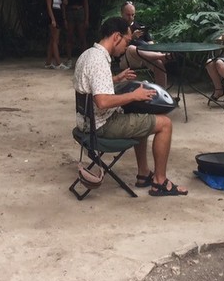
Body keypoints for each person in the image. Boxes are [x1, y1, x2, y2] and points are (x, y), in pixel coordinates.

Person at [73, 16, 188, 196]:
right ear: (117, 37)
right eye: (127, 41)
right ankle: (160, 182)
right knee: (165, 123)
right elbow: (102, 102)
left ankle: (143, 174)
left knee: (138, 113)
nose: (126, 46)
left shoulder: (88, 54)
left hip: (86, 121)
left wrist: (117, 79)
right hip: (101, 126)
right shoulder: (99, 61)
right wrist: (134, 95)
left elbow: (92, 84)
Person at [119, 1, 169, 88]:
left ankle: (163, 95)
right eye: (128, 15)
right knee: (131, 48)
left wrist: (152, 46)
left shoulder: (141, 26)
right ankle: (162, 56)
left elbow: (151, 44)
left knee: (158, 63)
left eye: (133, 15)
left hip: (144, 57)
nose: (130, 17)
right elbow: (117, 48)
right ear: (121, 14)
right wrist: (132, 38)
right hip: (125, 59)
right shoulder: (117, 27)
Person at [63, 0, 90, 68]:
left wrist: (87, 18)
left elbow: (86, 4)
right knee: (69, 36)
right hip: (70, 11)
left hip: (80, 11)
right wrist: (64, 18)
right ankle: (69, 59)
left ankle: (85, 60)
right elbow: (64, 4)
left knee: (82, 36)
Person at [45, 0, 68, 69]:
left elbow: (65, 2)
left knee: (53, 40)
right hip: (53, 15)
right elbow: (49, 6)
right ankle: (58, 62)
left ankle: (48, 62)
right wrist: (53, 19)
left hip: (59, 15)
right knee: (55, 39)